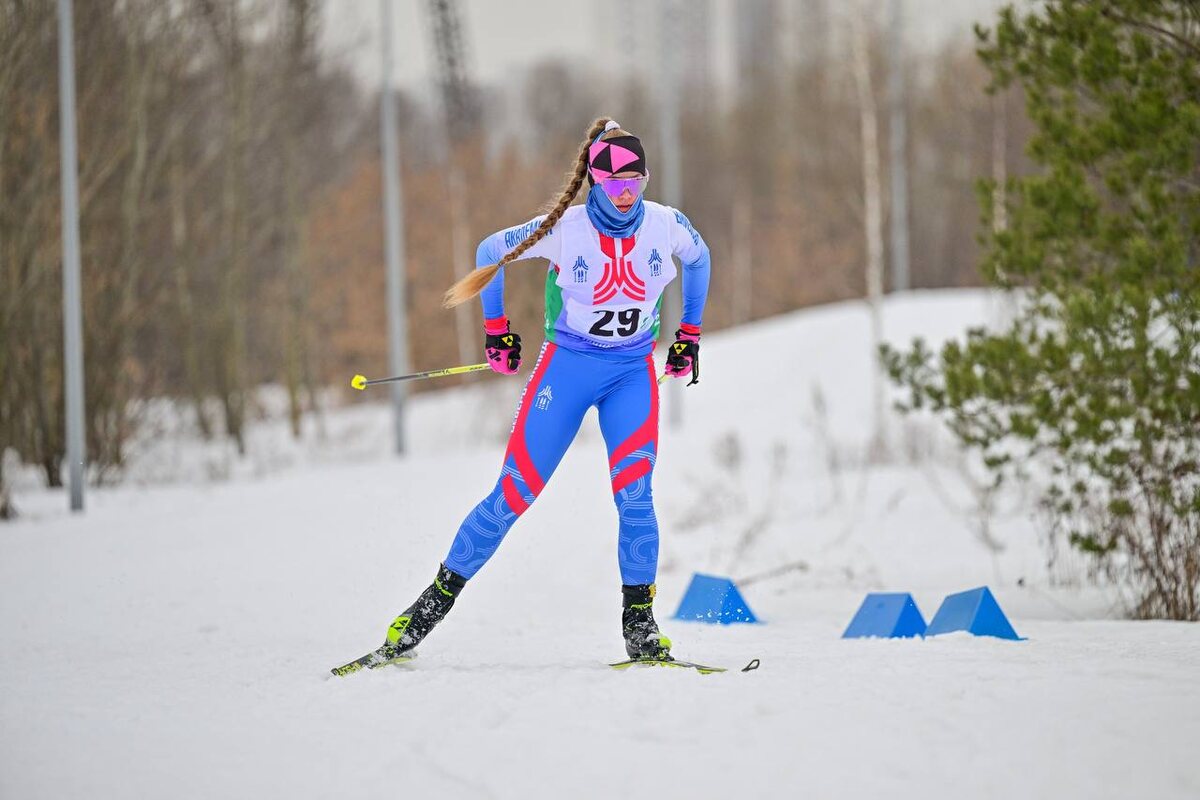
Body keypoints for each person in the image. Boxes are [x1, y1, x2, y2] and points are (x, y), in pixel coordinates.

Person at [379, 117, 711, 663]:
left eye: (636, 183)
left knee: (635, 495)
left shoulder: (665, 224)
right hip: (568, 369)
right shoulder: (565, 229)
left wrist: (689, 335)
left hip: (631, 373)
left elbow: (700, 260)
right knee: (514, 493)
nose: (627, 196)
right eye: (614, 185)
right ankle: (426, 610)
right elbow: (491, 250)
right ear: (594, 184)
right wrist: (495, 329)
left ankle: (640, 626)